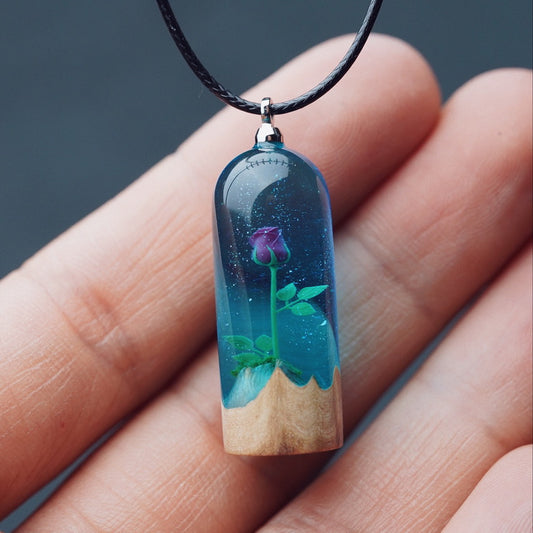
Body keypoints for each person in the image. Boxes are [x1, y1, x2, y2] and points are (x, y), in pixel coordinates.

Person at [0, 34, 531, 532]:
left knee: (291, 322)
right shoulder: (239, 184)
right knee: (265, 336)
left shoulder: (289, 179)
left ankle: (299, 405)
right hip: (251, 415)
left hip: (318, 408)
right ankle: (262, 411)